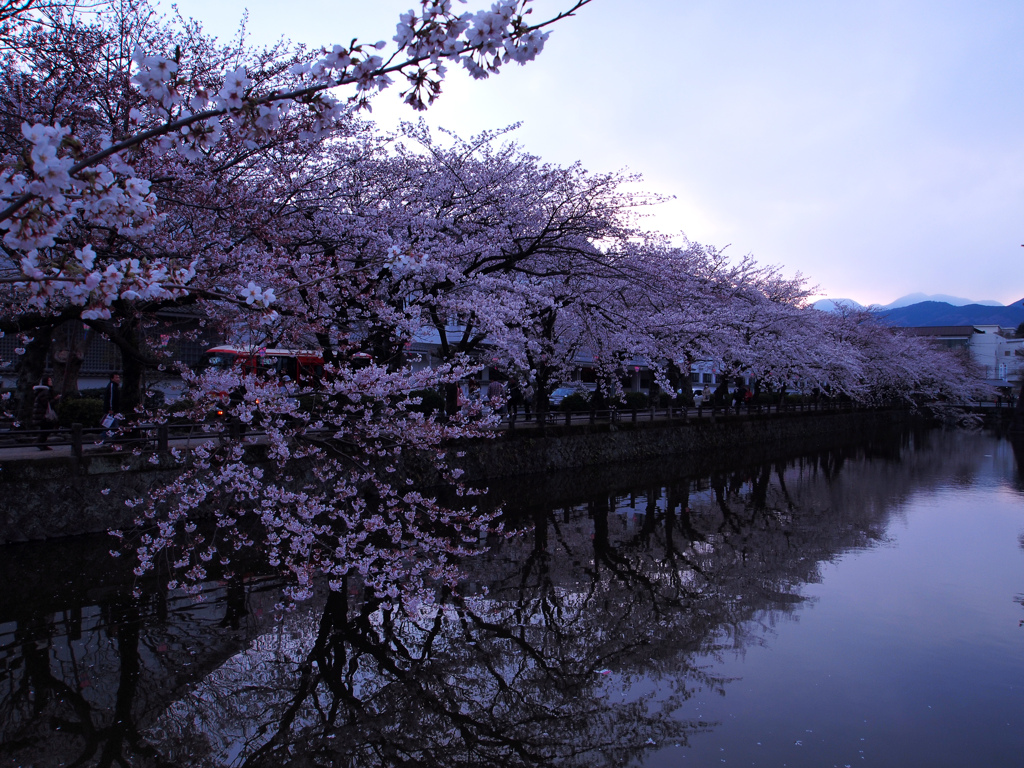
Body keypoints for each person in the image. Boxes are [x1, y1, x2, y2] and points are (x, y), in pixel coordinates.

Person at [32, 376, 60, 450]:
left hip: (40, 414)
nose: (51, 382)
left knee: (45, 429)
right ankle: (40, 442)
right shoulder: (45, 392)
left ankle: (42, 443)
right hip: (43, 414)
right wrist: (55, 399)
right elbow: (47, 403)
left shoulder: (41, 391)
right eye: (49, 381)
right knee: (47, 428)